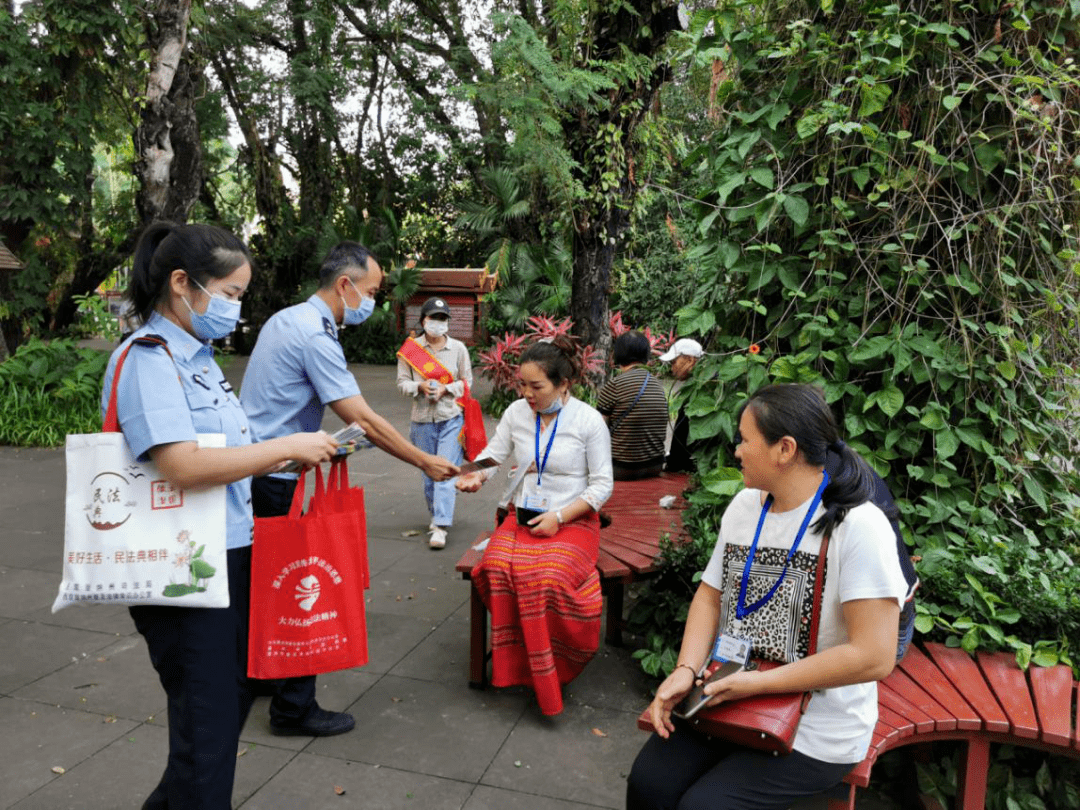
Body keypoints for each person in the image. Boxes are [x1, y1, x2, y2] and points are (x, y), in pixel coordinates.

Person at [103, 222, 338, 809]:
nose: (236, 308)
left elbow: (229, 451)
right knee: (208, 729)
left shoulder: (199, 359)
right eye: (230, 294)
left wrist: (296, 453)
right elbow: (181, 465)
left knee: (219, 715)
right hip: (182, 568)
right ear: (183, 284)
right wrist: (287, 447)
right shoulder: (148, 359)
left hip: (225, 551)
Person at [626, 383, 907, 810]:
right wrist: (686, 669)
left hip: (818, 728)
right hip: (727, 692)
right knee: (648, 786)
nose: (736, 450)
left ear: (785, 449)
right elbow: (709, 594)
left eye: (744, 439)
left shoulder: (859, 526)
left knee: (706, 807)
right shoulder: (745, 507)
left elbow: (874, 655)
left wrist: (757, 683)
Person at [240, 241, 459, 737]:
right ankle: (293, 710)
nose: (374, 302)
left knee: (263, 585)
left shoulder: (286, 319)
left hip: (253, 469)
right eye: (373, 291)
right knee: (301, 586)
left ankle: (260, 676)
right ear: (345, 285)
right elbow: (360, 415)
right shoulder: (315, 336)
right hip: (277, 478)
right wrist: (424, 461)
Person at [456, 336, 613, 715]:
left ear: (564, 385)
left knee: (547, 578)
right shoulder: (516, 413)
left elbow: (602, 485)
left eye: (536, 386)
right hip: (523, 515)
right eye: (522, 384)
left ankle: (553, 667)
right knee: (493, 567)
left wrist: (559, 517)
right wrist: (473, 474)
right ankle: (519, 663)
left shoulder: (588, 421)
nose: (527, 393)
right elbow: (494, 454)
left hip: (571, 519)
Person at [396, 297, 474, 549]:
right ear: (424, 321)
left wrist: (446, 389)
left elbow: (467, 383)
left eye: (443, 319)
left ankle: (440, 525)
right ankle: (437, 515)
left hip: (450, 417)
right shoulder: (410, 351)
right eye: (434, 319)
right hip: (421, 420)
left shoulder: (459, 349)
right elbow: (401, 384)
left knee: (444, 472)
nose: (438, 323)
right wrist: (418, 386)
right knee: (429, 473)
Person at [596, 330, 669, 481]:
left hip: (621, 468)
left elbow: (598, 430)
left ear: (618, 354)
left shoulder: (615, 384)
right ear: (646, 354)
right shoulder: (658, 385)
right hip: (655, 466)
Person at [658, 337, 703, 473]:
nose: (672, 368)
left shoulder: (698, 392)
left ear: (690, 360)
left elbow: (680, 440)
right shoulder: (695, 387)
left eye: (674, 362)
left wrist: (672, 464)